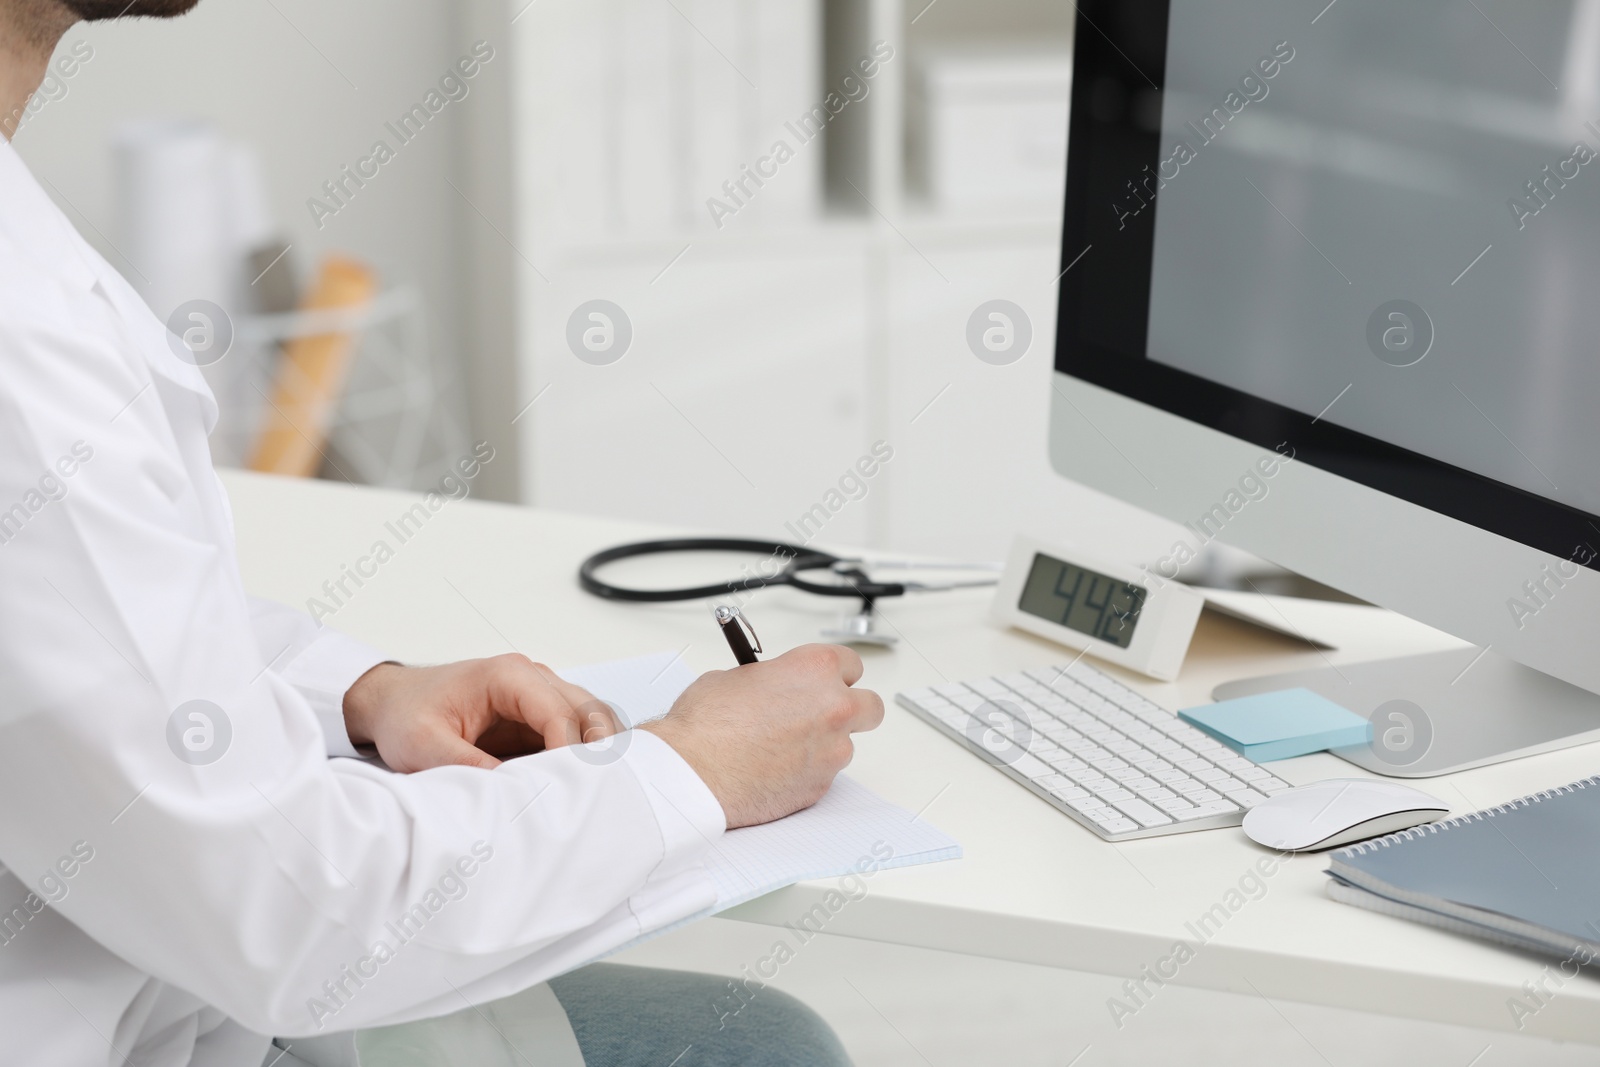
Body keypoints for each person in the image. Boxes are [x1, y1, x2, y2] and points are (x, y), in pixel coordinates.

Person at [0, 2, 883, 1065]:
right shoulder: (27, 363)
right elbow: (296, 913)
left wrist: (364, 689)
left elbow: (87, 620)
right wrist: (693, 769)